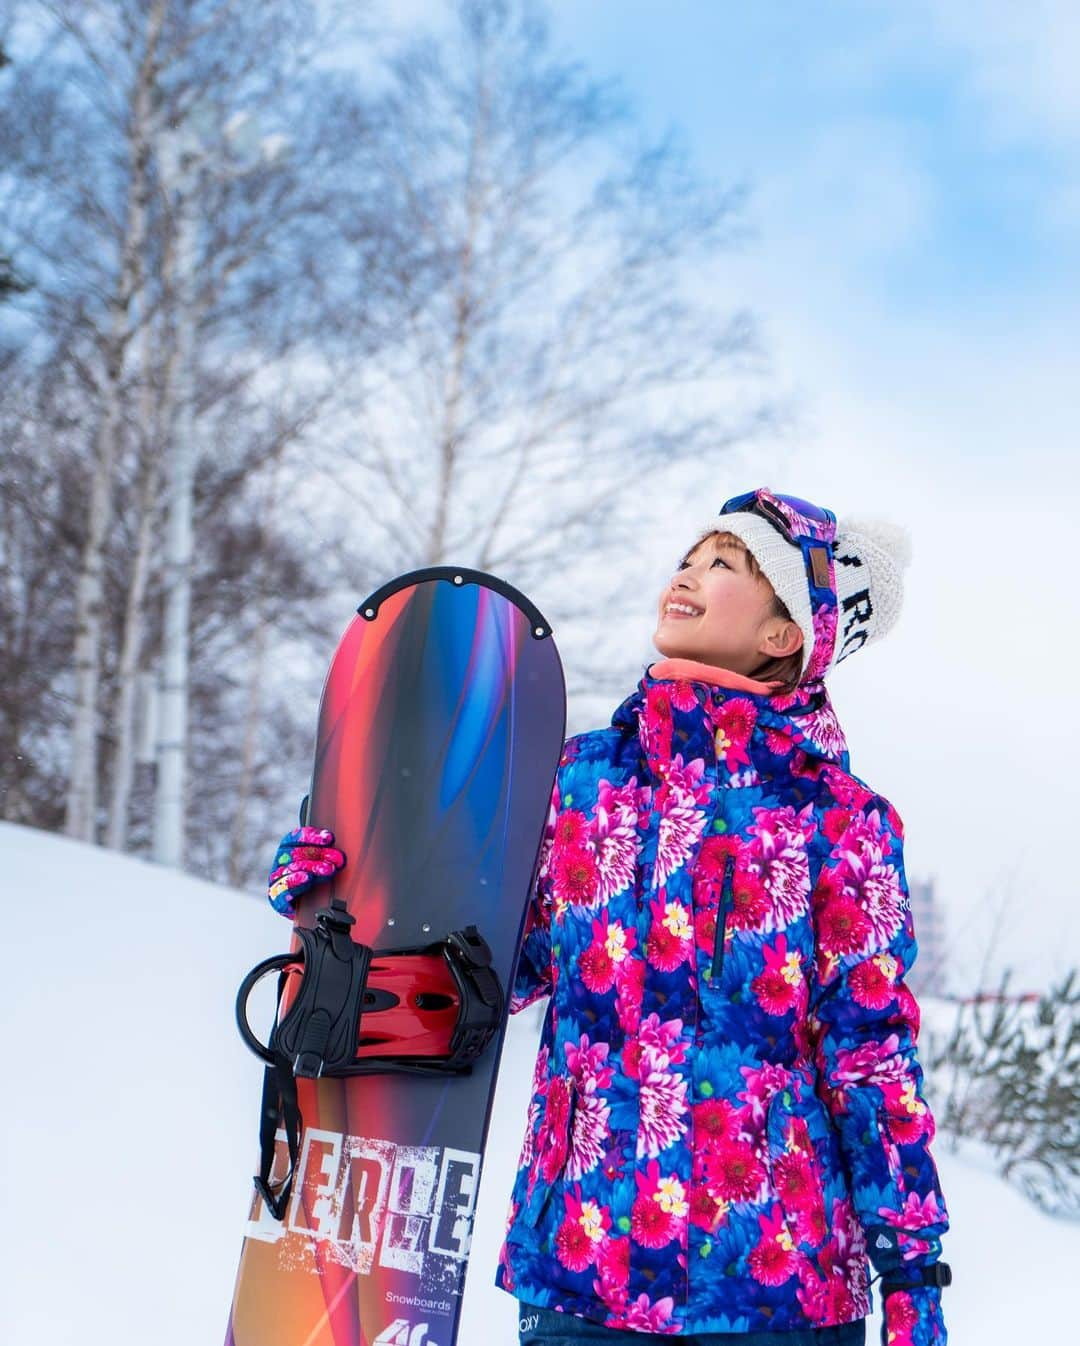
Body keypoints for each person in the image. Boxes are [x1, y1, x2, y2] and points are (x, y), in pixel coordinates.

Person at [266, 487, 952, 1346]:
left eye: (725, 565)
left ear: (786, 636)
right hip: (582, 1269)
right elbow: (492, 972)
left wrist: (914, 1275)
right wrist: (346, 892)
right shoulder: (580, 780)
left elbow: (873, 1058)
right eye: (689, 557)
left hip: (780, 1292)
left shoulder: (843, 822)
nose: (687, 574)